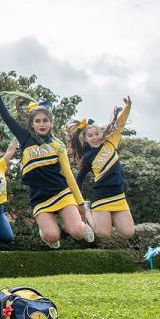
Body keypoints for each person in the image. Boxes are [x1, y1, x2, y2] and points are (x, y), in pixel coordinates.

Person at [0, 72, 93, 248]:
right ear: (32, 124)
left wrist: (80, 203)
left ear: (51, 123)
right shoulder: (25, 138)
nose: (42, 124)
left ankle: (83, 225)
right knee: (52, 236)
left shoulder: (57, 145)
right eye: (38, 121)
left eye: (45, 120)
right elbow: (7, 118)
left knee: (77, 232)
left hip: (61, 193)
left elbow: (69, 176)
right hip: (39, 198)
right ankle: (48, 235)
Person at [70, 96, 134, 239]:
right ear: (85, 139)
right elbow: (78, 179)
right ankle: (88, 210)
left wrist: (128, 107)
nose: (95, 137)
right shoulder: (86, 158)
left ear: (101, 133)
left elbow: (120, 124)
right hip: (102, 197)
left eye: (97, 133)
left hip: (118, 196)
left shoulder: (111, 143)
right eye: (90, 135)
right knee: (103, 234)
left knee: (128, 233)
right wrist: (78, 202)